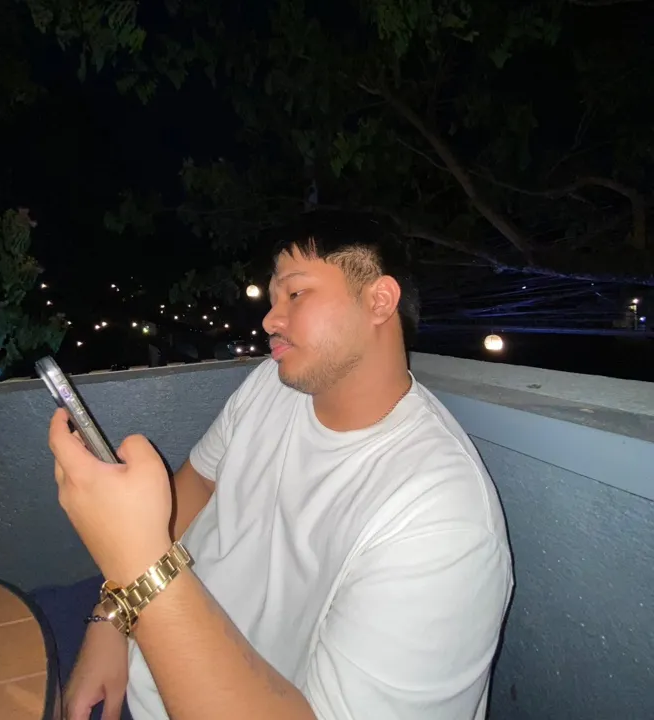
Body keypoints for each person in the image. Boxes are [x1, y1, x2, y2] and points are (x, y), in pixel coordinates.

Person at [46, 212, 513, 720]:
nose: (270, 319)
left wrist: (133, 563)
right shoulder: (272, 385)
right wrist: (113, 615)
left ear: (379, 301)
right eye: (273, 299)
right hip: (141, 636)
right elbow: (192, 492)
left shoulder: (441, 519)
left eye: (295, 293)